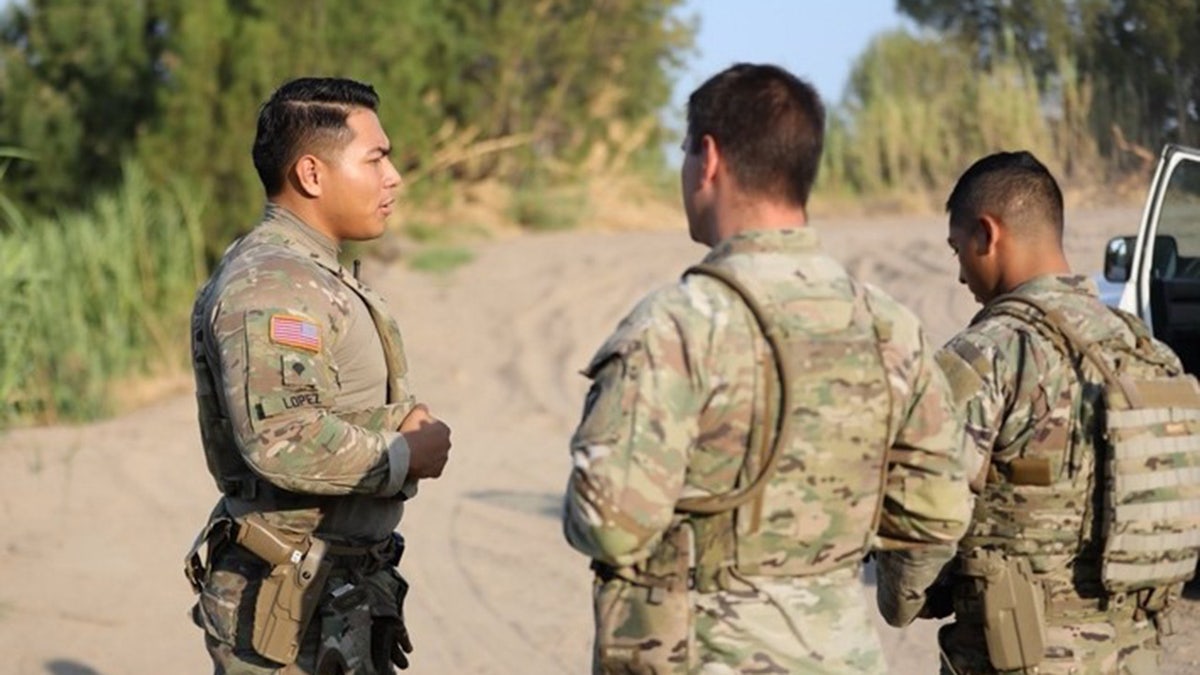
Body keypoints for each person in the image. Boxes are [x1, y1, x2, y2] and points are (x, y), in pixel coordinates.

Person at [561, 62, 973, 674]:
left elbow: (611, 524)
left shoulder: (677, 323)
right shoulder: (891, 325)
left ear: (708, 157)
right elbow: (938, 511)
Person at [184, 77, 452, 674]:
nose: (394, 176)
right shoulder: (274, 282)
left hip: (331, 586)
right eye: (376, 157)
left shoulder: (310, 270)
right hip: (289, 601)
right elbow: (283, 440)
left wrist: (394, 424)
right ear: (311, 174)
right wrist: (405, 451)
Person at [930, 150, 1199, 673]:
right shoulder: (1150, 354)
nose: (960, 273)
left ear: (987, 235)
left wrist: (903, 595)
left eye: (957, 248)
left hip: (1013, 657)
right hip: (1132, 655)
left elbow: (923, 517)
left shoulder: (983, 355)